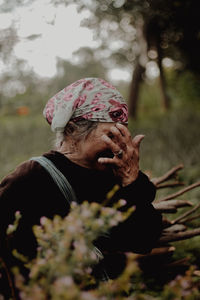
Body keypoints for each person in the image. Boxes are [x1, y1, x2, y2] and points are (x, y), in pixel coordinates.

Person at [0, 77, 162, 297]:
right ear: (73, 129)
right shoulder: (28, 180)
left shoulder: (116, 174)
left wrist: (131, 182)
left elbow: (144, 240)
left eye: (122, 134)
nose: (119, 146)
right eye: (111, 135)